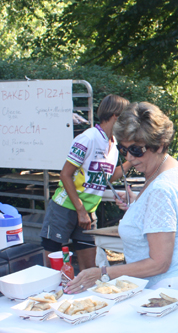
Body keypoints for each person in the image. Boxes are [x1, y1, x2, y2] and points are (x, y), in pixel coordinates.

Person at [66, 101, 178, 333]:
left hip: (172, 286)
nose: (129, 158)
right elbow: (163, 217)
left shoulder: (160, 188)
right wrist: (135, 207)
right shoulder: (171, 170)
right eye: (124, 149)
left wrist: (103, 273)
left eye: (136, 150)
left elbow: (159, 262)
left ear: (159, 144)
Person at [40, 94, 131, 270]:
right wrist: (80, 209)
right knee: (52, 266)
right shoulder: (88, 138)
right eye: (126, 118)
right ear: (115, 116)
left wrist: (133, 160)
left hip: (88, 212)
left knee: (89, 268)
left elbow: (108, 178)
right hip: (65, 207)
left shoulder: (113, 143)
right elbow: (65, 175)